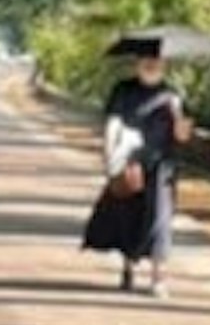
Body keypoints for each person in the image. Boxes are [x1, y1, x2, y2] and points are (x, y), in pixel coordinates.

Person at [77, 34, 184, 293]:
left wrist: (179, 119)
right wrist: (108, 158)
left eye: (156, 61)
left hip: (161, 166)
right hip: (128, 163)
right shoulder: (123, 90)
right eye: (146, 61)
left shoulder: (172, 95)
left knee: (160, 219)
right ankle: (128, 267)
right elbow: (112, 124)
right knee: (128, 216)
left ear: (163, 65)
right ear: (137, 64)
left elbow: (181, 136)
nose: (151, 65)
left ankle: (158, 277)